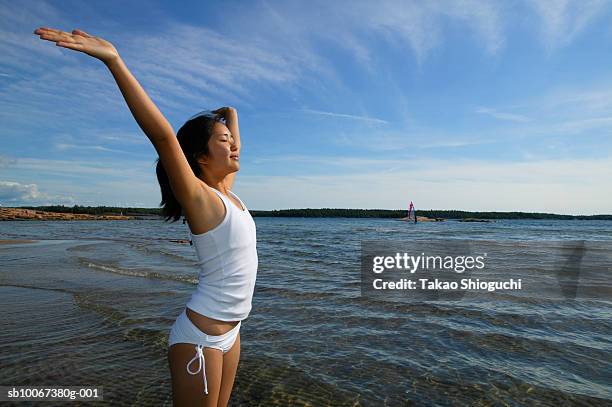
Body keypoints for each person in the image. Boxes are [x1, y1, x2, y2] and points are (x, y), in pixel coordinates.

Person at [33, 27, 258, 407]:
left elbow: (237, 149)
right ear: (201, 158)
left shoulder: (227, 192)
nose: (233, 146)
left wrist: (230, 116)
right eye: (223, 142)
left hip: (231, 332)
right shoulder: (200, 197)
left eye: (231, 141)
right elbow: (163, 135)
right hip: (199, 338)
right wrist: (114, 61)